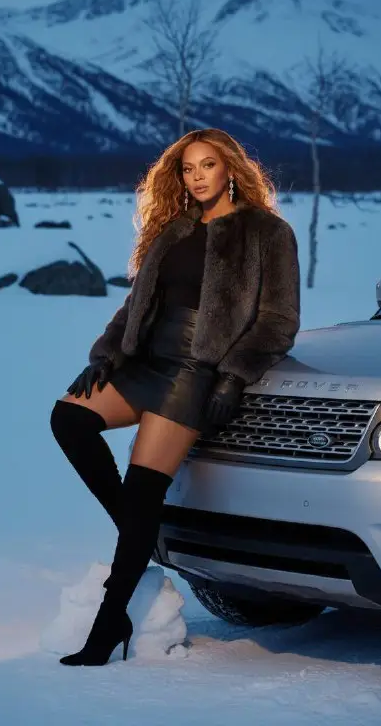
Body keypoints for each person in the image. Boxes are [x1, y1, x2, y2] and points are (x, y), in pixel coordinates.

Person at [50, 128, 300, 666]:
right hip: (145, 361)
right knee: (69, 419)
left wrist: (233, 375)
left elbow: (278, 322)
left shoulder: (267, 233)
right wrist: (106, 354)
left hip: (194, 370)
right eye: (187, 169)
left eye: (207, 165)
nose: (197, 176)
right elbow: (137, 305)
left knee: (144, 491)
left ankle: (108, 622)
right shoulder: (173, 230)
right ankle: (138, 530)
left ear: (230, 168)